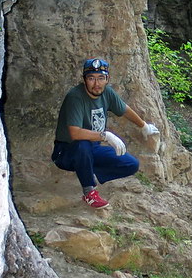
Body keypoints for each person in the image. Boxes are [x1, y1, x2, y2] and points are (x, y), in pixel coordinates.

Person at [51, 57, 160, 208]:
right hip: (67, 152)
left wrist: (143, 126)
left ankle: (87, 170)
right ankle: (89, 192)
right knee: (82, 145)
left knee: (131, 164)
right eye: (91, 78)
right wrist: (105, 136)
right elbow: (75, 133)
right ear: (84, 80)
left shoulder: (107, 92)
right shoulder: (75, 97)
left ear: (107, 79)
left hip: (92, 148)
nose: (97, 84)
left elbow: (124, 109)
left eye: (101, 78)